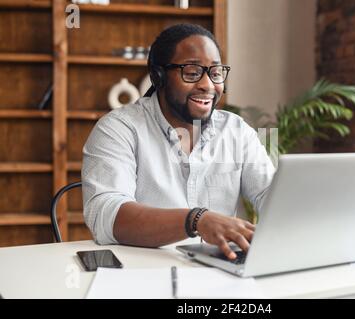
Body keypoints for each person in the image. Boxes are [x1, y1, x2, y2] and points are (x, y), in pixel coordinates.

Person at [82, 23, 275, 260]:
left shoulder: (236, 131)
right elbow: (105, 216)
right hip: (143, 276)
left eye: (215, 73)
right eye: (192, 73)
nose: (207, 85)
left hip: (220, 275)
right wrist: (196, 220)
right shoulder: (118, 129)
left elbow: (270, 195)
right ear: (158, 77)